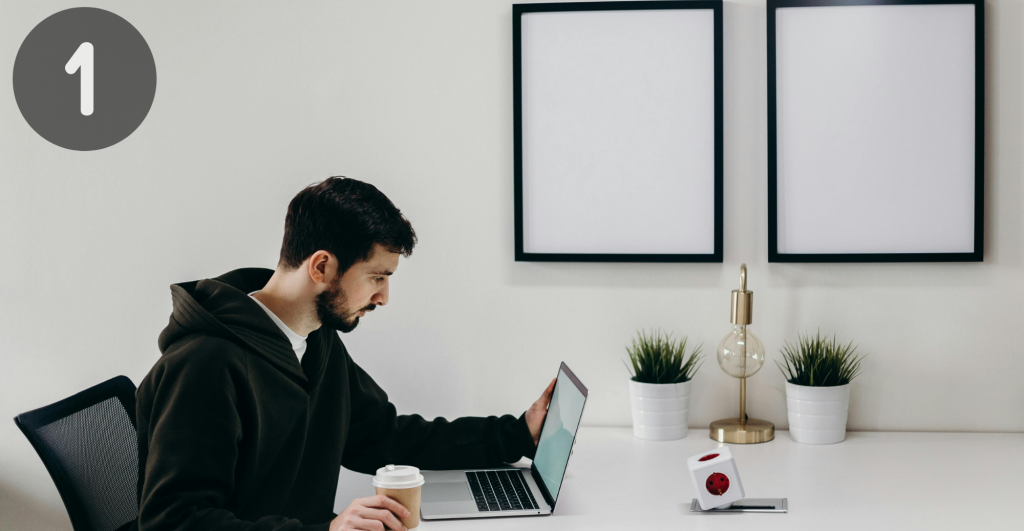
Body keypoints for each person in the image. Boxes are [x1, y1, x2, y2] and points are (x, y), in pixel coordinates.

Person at [134, 177, 556, 531]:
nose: (384, 296)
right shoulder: (204, 364)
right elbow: (173, 521)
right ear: (321, 267)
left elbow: (384, 436)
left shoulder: (315, 341)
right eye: (377, 276)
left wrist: (517, 434)